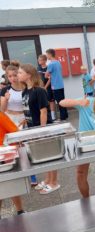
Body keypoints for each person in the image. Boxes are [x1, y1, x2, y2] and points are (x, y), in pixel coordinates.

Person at [59, 80, 95, 198]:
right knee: (81, 173)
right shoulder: (88, 101)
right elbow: (62, 103)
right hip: (83, 142)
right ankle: (86, 199)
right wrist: (79, 102)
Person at [18, 64, 60, 195]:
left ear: (29, 75)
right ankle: (48, 179)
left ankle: (54, 182)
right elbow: (29, 109)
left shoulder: (39, 90)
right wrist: (25, 120)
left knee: (50, 156)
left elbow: (43, 112)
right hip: (32, 128)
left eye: (20, 72)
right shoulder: (25, 91)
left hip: (42, 128)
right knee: (44, 156)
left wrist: (42, 130)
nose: (18, 75)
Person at [0, 112, 25, 218]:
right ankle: (20, 211)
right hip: (5, 154)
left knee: (7, 184)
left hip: (4, 154)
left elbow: (14, 132)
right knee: (10, 183)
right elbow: (15, 132)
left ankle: (20, 211)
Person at [45, 49, 68, 121]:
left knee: (59, 102)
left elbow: (46, 75)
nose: (46, 56)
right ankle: (65, 115)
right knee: (62, 101)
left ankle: (62, 117)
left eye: (47, 54)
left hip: (55, 86)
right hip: (61, 84)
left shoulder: (51, 64)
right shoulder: (58, 62)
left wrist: (48, 76)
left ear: (50, 54)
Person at [37, 54, 56, 121]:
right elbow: (38, 78)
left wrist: (45, 87)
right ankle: (46, 115)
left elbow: (50, 79)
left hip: (48, 86)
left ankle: (53, 115)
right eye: (38, 60)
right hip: (41, 87)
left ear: (45, 60)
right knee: (43, 101)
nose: (39, 61)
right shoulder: (38, 68)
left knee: (51, 100)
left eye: (40, 60)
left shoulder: (48, 67)